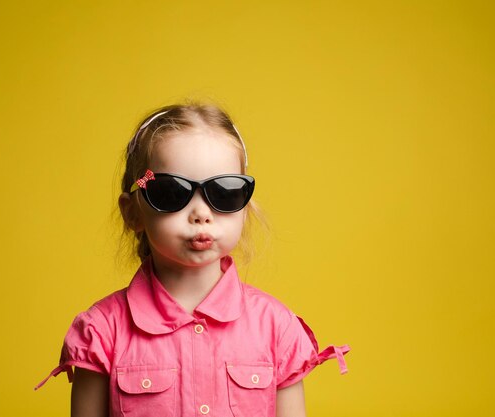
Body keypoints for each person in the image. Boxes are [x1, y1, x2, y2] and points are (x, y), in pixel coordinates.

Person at [35, 103, 350, 417]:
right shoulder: (102, 332)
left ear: (245, 205)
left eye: (225, 192)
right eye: (171, 192)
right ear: (133, 212)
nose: (201, 214)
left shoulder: (276, 328)